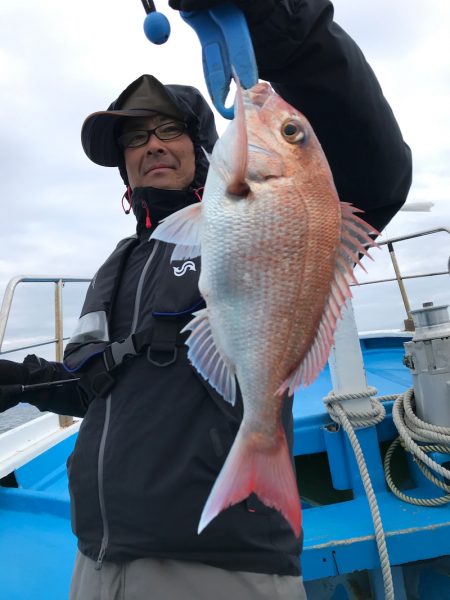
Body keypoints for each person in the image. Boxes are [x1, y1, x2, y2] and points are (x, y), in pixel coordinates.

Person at [0, 1, 412, 598]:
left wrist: (276, 23)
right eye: (136, 137)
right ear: (124, 164)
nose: (153, 145)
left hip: (218, 561)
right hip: (96, 556)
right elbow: (97, 384)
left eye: (169, 129)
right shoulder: (116, 267)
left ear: (203, 143)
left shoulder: (267, 210)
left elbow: (376, 172)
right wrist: (15, 378)